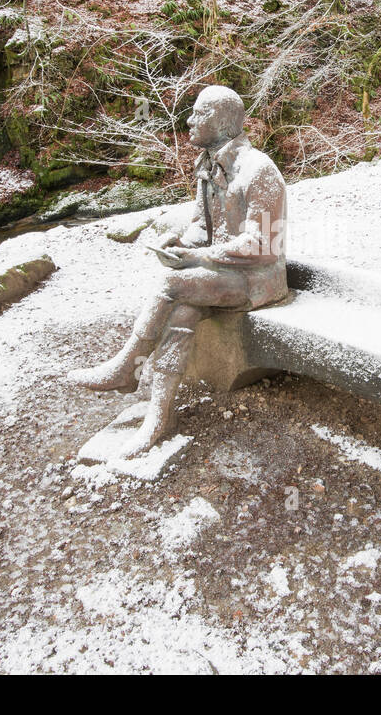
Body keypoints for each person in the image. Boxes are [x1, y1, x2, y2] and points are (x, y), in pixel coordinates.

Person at [68, 85, 288, 454]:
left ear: (220, 120)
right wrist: (181, 244)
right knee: (182, 307)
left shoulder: (259, 170)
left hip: (257, 280)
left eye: (198, 114)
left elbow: (262, 245)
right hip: (220, 276)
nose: (188, 120)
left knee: (173, 283)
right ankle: (160, 417)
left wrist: (198, 259)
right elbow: (202, 227)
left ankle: (127, 368)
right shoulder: (206, 166)